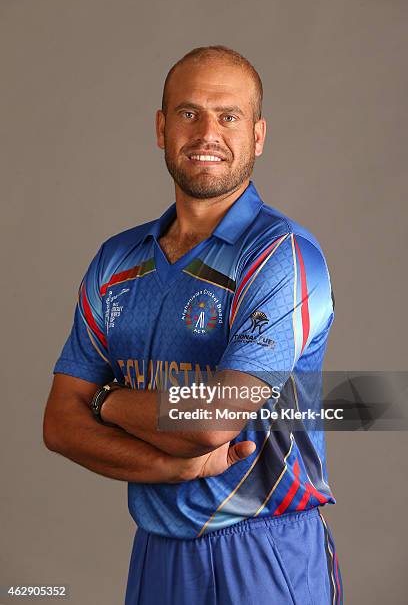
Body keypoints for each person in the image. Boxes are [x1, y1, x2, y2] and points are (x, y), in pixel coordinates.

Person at [43, 45, 343, 605]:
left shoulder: (283, 254)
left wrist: (106, 400)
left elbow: (214, 421)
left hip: (263, 546)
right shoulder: (116, 261)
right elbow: (59, 424)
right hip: (157, 545)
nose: (208, 131)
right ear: (162, 128)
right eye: (189, 113)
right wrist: (169, 465)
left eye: (228, 116)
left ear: (257, 135)